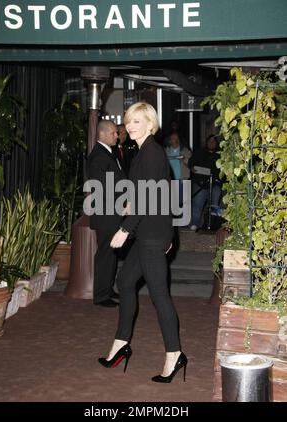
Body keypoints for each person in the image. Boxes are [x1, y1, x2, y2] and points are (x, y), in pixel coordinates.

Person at [98, 102, 187, 383]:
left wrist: (125, 228)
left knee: (160, 296)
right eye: (129, 121)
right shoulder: (143, 153)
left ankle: (175, 355)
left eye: (138, 121)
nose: (130, 125)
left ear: (151, 124)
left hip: (149, 235)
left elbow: (149, 198)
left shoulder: (151, 153)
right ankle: (121, 344)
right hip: (150, 231)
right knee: (125, 282)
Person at [86, 120, 126, 307]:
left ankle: (107, 289)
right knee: (105, 255)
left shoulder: (107, 153)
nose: (117, 136)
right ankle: (101, 296)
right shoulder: (99, 156)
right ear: (102, 134)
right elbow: (102, 188)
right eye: (113, 133)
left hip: (111, 212)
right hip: (106, 213)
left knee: (110, 254)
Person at [188, 134, 222, 231]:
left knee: (215, 205)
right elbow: (191, 163)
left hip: (215, 184)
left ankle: (213, 224)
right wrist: (192, 168)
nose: (211, 143)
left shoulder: (220, 155)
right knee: (197, 205)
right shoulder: (199, 153)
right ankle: (194, 223)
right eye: (210, 141)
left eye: (213, 141)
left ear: (216, 143)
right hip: (201, 184)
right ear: (206, 143)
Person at [165, 131, 192, 207]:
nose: (176, 140)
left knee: (181, 203)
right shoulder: (165, 151)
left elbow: (191, 165)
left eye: (177, 138)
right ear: (170, 141)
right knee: (170, 203)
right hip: (169, 181)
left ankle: (180, 217)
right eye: (173, 138)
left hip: (182, 181)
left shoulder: (185, 151)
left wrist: (184, 159)